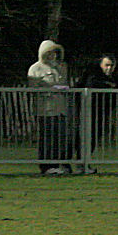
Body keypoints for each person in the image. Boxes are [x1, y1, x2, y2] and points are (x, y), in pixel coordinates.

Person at [28, 39, 73, 175]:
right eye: (49, 52)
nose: (52, 55)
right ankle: (47, 166)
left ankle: (59, 163)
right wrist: (51, 89)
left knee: (60, 138)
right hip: (45, 109)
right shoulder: (35, 68)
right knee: (47, 138)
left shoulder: (59, 68)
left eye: (54, 52)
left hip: (60, 109)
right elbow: (33, 88)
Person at [76, 54, 118, 174]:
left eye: (111, 66)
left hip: (101, 113)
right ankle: (81, 164)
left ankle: (84, 164)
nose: (109, 68)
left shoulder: (110, 78)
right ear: (100, 65)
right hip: (89, 112)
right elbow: (91, 85)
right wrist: (109, 86)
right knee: (86, 138)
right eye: (106, 65)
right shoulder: (93, 75)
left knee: (93, 139)